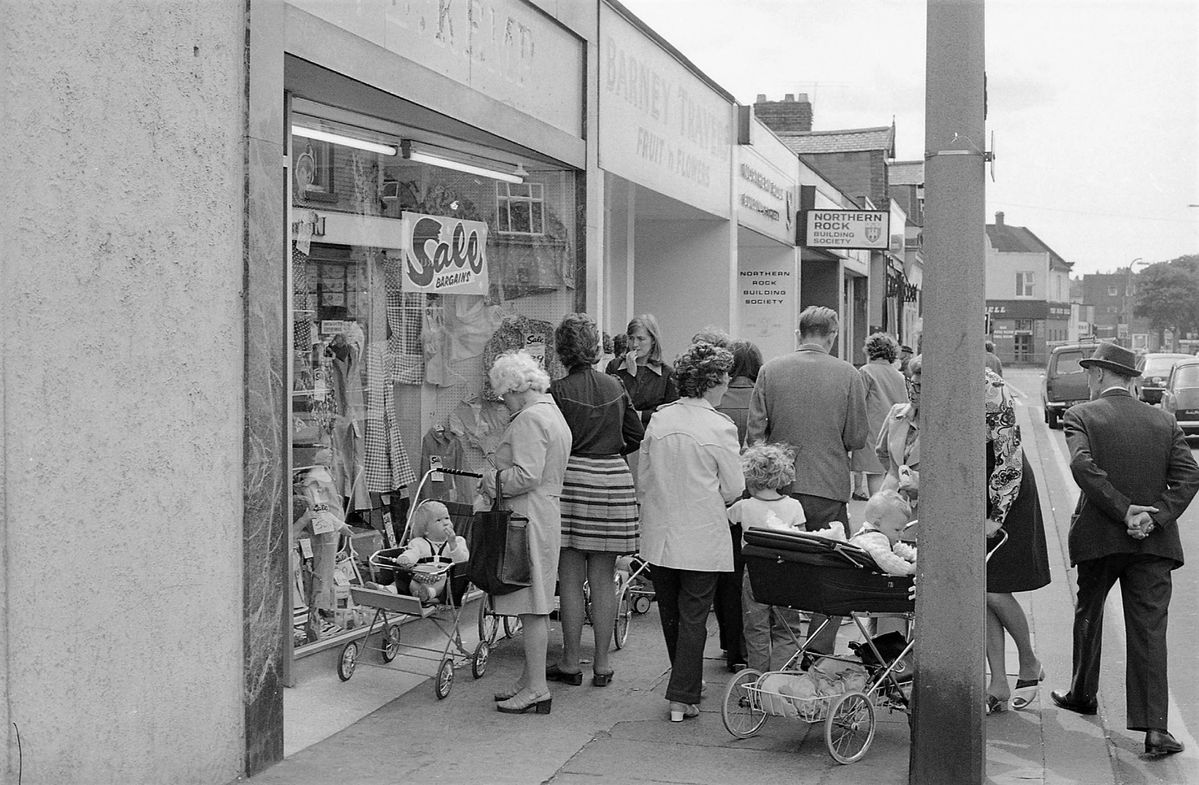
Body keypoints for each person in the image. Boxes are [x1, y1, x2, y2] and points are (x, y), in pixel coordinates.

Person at [1051, 342, 1199, 757]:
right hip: (1153, 544)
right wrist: (1153, 517)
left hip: (1099, 536)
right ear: (1131, 378)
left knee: (1089, 613)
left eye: (1088, 373)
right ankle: (1155, 729)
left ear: (1098, 375)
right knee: (1150, 630)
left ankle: (1082, 692)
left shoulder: (1081, 415)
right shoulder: (1164, 421)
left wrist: (1121, 509)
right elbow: (1189, 478)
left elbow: (1082, 467)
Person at [747, 305, 868, 656]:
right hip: (828, 489)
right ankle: (817, 651)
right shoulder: (848, 375)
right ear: (832, 336)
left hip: (778, 490)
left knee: (781, 573)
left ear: (799, 334)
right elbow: (857, 437)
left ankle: (780, 650)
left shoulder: (771, 371)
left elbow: (755, 435)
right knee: (832, 575)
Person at [638, 341, 744, 722]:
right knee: (695, 613)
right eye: (725, 378)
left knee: (672, 613)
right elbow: (733, 488)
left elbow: (644, 480)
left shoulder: (661, 419)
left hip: (661, 530)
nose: (727, 385)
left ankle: (685, 684)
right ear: (712, 381)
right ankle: (682, 694)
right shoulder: (720, 427)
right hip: (701, 532)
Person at [546, 313, 644, 688]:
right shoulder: (616, 385)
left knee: (569, 578)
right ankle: (602, 664)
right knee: (602, 578)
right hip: (614, 481)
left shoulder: (556, 391)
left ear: (562, 350)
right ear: (596, 348)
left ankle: (571, 662)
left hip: (572, 481)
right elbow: (635, 434)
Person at [477, 350, 572, 715]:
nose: (503, 403)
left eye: (503, 395)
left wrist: (491, 480)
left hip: (527, 515)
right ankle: (529, 680)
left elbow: (526, 475)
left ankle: (536, 688)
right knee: (533, 602)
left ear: (515, 389)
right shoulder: (550, 411)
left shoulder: (530, 418)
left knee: (532, 606)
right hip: (541, 513)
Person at [728, 442, 808, 673]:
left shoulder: (743, 507)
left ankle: (758, 678)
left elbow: (722, 520)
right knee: (787, 628)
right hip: (787, 575)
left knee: (756, 629)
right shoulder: (794, 506)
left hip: (754, 574)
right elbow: (802, 540)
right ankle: (778, 677)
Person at [712, 338, 764, 671]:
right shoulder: (762, 400)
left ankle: (731, 644)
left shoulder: (718, 403)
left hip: (723, 499)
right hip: (757, 497)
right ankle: (751, 645)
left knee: (726, 575)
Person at [851, 333, 909, 501]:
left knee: (874, 473)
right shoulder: (899, 376)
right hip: (894, 429)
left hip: (872, 429)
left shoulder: (866, 372)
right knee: (889, 473)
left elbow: (858, 401)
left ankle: (877, 510)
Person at [606, 314, 679, 429]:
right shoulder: (614, 366)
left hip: (651, 435)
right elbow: (612, 406)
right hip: (620, 438)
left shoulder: (667, 374)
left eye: (641, 339)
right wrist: (630, 376)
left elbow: (670, 413)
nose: (635, 345)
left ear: (653, 340)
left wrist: (641, 415)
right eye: (631, 338)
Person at [393, 501, 469, 604]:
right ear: (426, 530)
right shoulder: (419, 542)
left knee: (447, 581)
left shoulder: (458, 541)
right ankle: (389, 589)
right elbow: (412, 553)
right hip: (420, 578)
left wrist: (452, 544)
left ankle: (429, 593)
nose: (446, 523)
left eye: (447, 518)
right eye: (439, 520)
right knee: (403, 577)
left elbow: (463, 562)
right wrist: (406, 558)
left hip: (443, 580)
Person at [848, 490, 916, 577]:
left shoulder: (872, 532)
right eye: (897, 530)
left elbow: (897, 547)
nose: (902, 534)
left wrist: (914, 555)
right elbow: (887, 560)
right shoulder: (875, 539)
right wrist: (909, 569)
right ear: (877, 523)